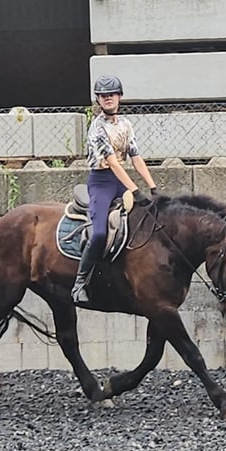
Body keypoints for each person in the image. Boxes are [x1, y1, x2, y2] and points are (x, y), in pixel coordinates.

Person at [71, 74, 159, 304]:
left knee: (149, 217)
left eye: (111, 95)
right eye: (103, 96)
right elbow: (112, 162)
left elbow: (136, 157)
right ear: (98, 100)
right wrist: (135, 190)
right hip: (101, 182)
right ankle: (80, 282)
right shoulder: (96, 128)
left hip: (121, 181)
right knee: (99, 233)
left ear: (119, 97)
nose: (108, 99)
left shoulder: (126, 125)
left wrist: (153, 187)